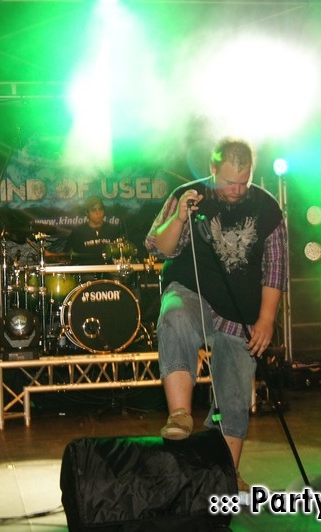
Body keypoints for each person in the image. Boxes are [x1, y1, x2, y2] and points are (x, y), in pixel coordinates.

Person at [144, 137, 287, 492]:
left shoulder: (267, 208)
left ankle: (227, 474)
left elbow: (275, 268)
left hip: (240, 311)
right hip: (193, 292)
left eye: (243, 181)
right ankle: (180, 415)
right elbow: (159, 247)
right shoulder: (189, 196)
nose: (236, 190)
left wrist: (266, 319)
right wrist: (179, 217)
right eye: (228, 182)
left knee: (235, 396)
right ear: (212, 169)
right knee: (175, 315)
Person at [65, 195, 122, 265]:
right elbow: (66, 255)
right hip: (85, 269)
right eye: (94, 210)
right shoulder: (78, 232)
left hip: (109, 269)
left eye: (100, 209)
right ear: (87, 212)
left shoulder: (113, 230)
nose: (98, 213)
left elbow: (121, 254)